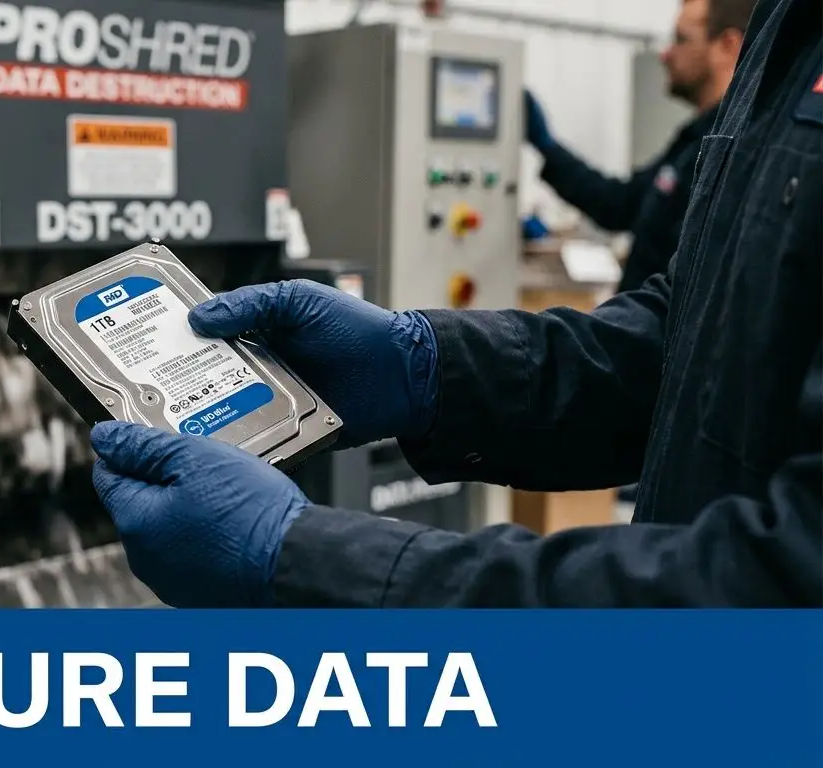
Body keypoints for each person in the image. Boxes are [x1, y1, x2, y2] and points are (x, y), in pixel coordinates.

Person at [86, 0, 822, 608]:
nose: (665, 52)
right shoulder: (784, 28)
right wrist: (432, 367)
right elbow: (704, 331)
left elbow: (786, 579)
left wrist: (309, 557)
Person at [526, 0, 755, 294]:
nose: (664, 54)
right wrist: (547, 148)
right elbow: (621, 204)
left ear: (727, 46)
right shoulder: (693, 141)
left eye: (681, 39)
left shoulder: (732, 156)